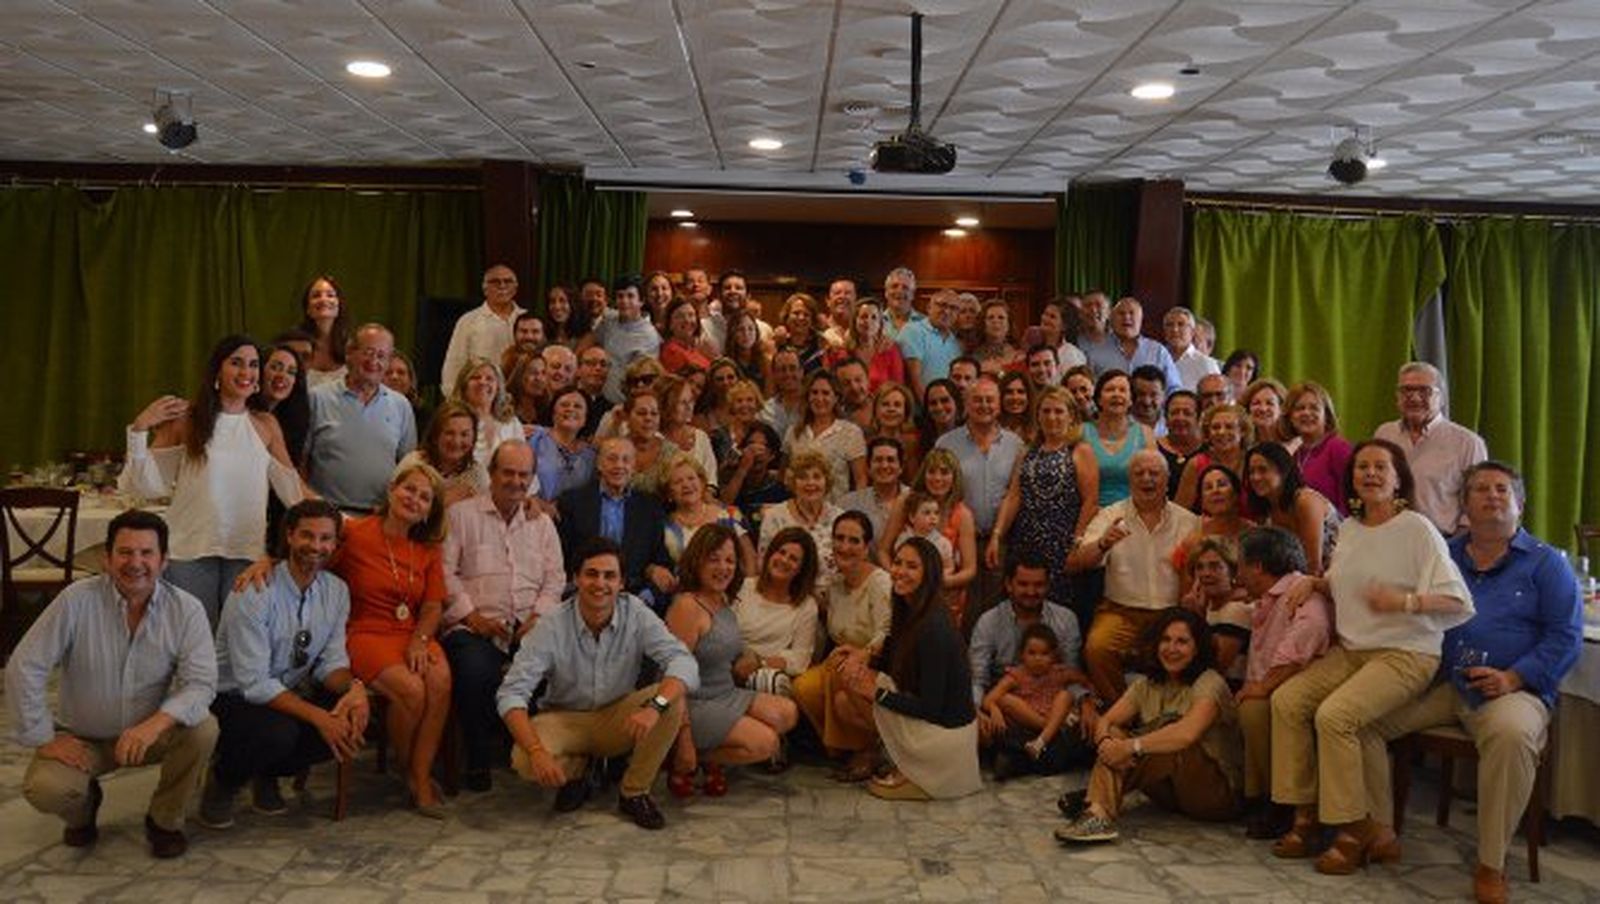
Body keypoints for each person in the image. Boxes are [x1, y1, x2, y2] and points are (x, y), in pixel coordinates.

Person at [1376, 462, 1581, 904]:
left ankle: (1492, 864)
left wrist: (1514, 676)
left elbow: (1565, 638)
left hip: (1511, 689)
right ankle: (1376, 831)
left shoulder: (1547, 564)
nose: (1492, 496)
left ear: (1520, 504)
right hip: (1442, 682)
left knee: (1511, 735)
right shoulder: (1441, 553)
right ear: (1464, 505)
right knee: (1361, 718)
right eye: (1481, 489)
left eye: (1502, 490)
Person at [1268, 439, 1473, 876]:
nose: (1371, 474)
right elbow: (1349, 584)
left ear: (1399, 478)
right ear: (1352, 479)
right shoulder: (1351, 530)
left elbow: (1459, 601)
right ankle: (1304, 814)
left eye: (1382, 466)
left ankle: (1353, 827)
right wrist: (1316, 583)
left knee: (1336, 716)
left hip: (1406, 653)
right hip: (1355, 650)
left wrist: (1405, 602)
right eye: (1363, 467)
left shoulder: (1417, 528)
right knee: (1287, 701)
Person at [5, 510, 218, 859]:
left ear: (164, 561)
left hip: (151, 735)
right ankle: (83, 810)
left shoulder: (187, 610)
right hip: (85, 739)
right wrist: (43, 737)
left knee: (203, 729)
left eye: (146, 553)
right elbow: (24, 666)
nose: (136, 563)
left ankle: (164, 821)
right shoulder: (76, 600)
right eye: (125, 552)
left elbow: (202, 682)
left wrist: (156, 724)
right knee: (46, 790)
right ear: (107, 558)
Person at [496, 538, 699, 830]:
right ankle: (580, 771)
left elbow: (683, 661)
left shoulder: (637, 613)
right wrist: (538, 752)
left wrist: (655, 707)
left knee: (672, 701)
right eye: (591, 574)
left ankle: (634, 793)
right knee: (524, 759)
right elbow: (511, 693)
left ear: (621, 584)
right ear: (576, 578)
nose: (600, 583)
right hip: (566, 718)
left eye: (609, 576)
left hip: (618, 715)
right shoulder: (551, 624)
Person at [202, 500, 369, 827]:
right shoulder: (253, 590)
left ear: (335, 544)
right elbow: (254, 684)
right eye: (307, 536)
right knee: (277, 732)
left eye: (325, 539)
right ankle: (225, 781)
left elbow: (330, 663)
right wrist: (320, 718)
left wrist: (355, 690)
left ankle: (267, 772)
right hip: (231, 697)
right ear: (289, 536)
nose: (316, 546)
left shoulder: (336, 592)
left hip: (284, 692)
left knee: (348, 718)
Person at [120, 335, 307, 627]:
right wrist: (140, 429)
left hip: (245, 551)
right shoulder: (188, 419)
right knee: (193, 639)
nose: (246, 372)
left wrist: (340, 519)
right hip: (190, 549)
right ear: (217, 371)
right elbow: (143, 486)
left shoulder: (266, 426)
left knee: (239, 640)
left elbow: (293, 491)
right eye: (236, 363)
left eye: (253, 365)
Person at [319, 461, 455, 817]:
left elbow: (432, 605)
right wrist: (268, 563)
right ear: (392, 490)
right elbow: (313, 562)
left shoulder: (427, 550)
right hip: (364, 631)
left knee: (440, 679)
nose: (414, 499)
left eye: (424, 498)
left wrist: (420, 640)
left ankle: (420, 774)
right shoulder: (355, 533)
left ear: (429, 512)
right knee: (411, 690)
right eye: (409, 489)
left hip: (411, 633)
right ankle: (407, 768)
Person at [1055, 608, 1243, 844]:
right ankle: (1098, 812)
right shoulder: (1147, 684)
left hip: (1215, 795)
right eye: (1165, 640)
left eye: (1182, 642)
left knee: (1172, 730)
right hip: (1170, 793)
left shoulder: (1210, 683)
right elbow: (1106, 722)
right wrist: (1107, 743)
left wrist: (1129, 747)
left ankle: (1099, 797)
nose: (1171, 649)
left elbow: (1186, 734)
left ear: (1198, 648)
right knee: (1114, 734)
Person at [440, 442, 564, 792]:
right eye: (507, 472)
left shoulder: (540, 524)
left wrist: (539, 617)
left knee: (555, 667)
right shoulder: (461, 516)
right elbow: (444, 573)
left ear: (532, 479)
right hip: (474, 627)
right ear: (492, 474)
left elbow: (556, 579)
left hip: (530, 627)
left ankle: (533, 751)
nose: (515, 481)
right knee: (476, 672)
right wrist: (472, 616)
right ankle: (477, 757)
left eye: (523, 474)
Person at [665, 526, 800, 798]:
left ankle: (712, 757)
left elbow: (727, 649)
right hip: (694, 703)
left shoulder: (723, 598)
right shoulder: (687, 607)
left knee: (787, 712)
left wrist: (749, 657)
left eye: (729, 560)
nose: (723, 567)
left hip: (725, 692)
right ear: (697, 560)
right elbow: (671, 677)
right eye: (714, 559)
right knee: (766, 743)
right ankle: (681, 758)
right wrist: (684, 739)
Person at [848, 538, 982, 800]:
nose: (900, 571)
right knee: (848, 678)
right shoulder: (909, 611)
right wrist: (862, 657)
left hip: (947, 737)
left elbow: (930, 709)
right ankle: (900, 761)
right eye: (898, 563)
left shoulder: (933, 627)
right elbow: (896, 663)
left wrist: (876, 693)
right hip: (935, 724)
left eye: (912, 566)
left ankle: (914, 768)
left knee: (858, 689)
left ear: (928, 574)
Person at [1068, 450, 1200, 704]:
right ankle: (1124, 713)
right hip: (1120, 611)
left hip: (1170, 612)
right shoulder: (1111, 515)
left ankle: (1169, 713)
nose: (1147, 479)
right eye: (1139, 473)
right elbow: (1076, 562)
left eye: (1154, 473)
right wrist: (1103, 544)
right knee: (1096, 649)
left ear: (1167, 478)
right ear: (1129, 479)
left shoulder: (1188, 521)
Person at [1233, 526, 1332, 840]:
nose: (1237, 573)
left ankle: (1283, 805)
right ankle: (1259, 797)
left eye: (1240, 564)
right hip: (1280, 686)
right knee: (1247, 703)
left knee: (1254, 708)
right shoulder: (1268, 597)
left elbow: (1312, 628)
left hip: (1308, 689)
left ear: (1258, 566)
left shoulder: (1300, 589)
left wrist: (1265, 685)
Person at [793, 512, 892, 780]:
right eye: (839, 538)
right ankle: (841, 747)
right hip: (841, 655)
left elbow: (888, 632)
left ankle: (866, 749)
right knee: (803, 686)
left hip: (876, 661)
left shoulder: (880, 582)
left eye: (854, 540)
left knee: (842, 678)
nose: (845, 546)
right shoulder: (835, 583)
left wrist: (863, 653)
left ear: (866, 546)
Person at [990, 386, 1099, 615]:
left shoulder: (1080, 450)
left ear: (1071, 416)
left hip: (1062, 546)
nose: (1052, 417)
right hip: (1025, 543)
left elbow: (1090, 502)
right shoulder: (1028, 450)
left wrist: (1076, 545)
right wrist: (997, 535)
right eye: (1046, 411)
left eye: (1059, 411)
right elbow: (1014, 496)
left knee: (1058, 612)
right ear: (1038, 415)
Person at [969, 554, 1089, 763]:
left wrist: (1086, 703)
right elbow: (978, 680)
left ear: (1048, 585)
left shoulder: (1065, 619)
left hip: (1053, 706)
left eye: (1039, 585)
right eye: (1023, 584)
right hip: (1010, 714)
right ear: (1008, 584)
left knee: (1090, 727)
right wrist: (976, 711)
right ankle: (1044, 750)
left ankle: (1018, 760)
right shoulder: (988, 622)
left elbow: (1071, 676)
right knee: (978, 732)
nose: (1031, 592)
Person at [934, 374, 1025, 629]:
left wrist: (997, 534)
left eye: (990, 400)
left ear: (998, 405)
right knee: (961, 608)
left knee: (997, 608)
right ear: (966, 404)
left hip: (1001, 539)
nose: (984, 405)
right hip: (959, 540)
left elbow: (1014, 494)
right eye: (977, 400)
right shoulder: (946, 443)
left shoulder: (1015, 444)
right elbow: (939, 491)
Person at [303, 323, 418, 512]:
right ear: (350, 352)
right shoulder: (317, 398)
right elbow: (300, 463)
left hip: (380, 517)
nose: (374, 361)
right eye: (369, 352)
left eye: (382, 356)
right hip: (327, 516)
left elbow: (408, 466)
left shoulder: (401, 406)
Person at [557, 437, 676, 610]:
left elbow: (662, 562)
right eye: (612, 459)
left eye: (626, 460)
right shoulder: (572, 502)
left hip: (635, 600)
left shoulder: (650, 508)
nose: (619, 465)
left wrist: (646, 597)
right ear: (599, 464)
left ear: (633, 467)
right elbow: (563, 558)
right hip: (584, 595)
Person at [1373, 361, 1488, 534]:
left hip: (1443, 542)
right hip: (1388, 536)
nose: (1414, 397)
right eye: (1406, 390)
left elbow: (1477, 500)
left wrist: (1455, 547)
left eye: (1424, 391)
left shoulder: (1468, 443)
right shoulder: (1384, 434)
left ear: (1441, 398)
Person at [880, 448, 979, 628]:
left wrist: (938, 582)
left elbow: (970, 570)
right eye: (931, 471)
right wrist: (897, 578)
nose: (937, 478)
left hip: (943, 594)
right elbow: (883, 551)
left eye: (944, 472)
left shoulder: (963, 514)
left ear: (954, 477)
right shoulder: (906, 502)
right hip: (902, 591)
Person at [981, 624, 1080, 779]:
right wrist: (994, 708)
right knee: (1005, 699)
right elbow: (988, 700)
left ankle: (1039, 744)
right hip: (1028, 725)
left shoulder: (1060, 673)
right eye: (1032, 653)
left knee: (1065, 695)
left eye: (1044, 653)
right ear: (1022, 655)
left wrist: (1088, 701)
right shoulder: (1016, 676)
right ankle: (1044, 737)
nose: (1038, 659)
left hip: (1052, 725)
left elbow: (1084, 683)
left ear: (1054, 656)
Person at [732, 527, 821, 698]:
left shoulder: (807, 606)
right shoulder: (745, 587)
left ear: (801, 570)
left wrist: (760, 663)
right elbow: (723, 631)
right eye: (781, 552)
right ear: (770, 553)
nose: (784, 560)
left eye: (793, 559)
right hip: (731, 662)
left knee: (768, 681)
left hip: (767, 673)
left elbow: (799, 660)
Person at [1244, 442, 1340, 575]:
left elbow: (1314, 567)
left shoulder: (1305, 501)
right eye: (1251, 472)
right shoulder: (1265, 511)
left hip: (1335, 577)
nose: (1255, 477)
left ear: (1283, 471)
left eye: (1263, 470)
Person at [758, 449, 846, 588]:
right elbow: (765, 564)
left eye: (817, 477)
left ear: (827, 481)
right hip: (788, 593)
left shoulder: (840, 518)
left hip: (834, 595)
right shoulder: (774, 516)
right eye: (803, 477)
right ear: (793, 482)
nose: (810, 483)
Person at [662, 453, 757, 573]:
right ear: (669, 493)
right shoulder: (663, 526)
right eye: (678, 482)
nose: (686, 485)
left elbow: (749, 558)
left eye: (691, 478)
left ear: (702, 483)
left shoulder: (729, 515)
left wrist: (747, 587)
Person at [785, 370, 867, 503]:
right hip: (800, 510)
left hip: (838, 511)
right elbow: (786, 475)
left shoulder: (851, 432)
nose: (819, 398)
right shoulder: (793, 432)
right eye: (814, 392)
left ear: (836, 398)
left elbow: (861, 480)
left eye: (826, 393)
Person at [442, 264, 525, 391]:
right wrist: (452, 397)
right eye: (495, 282)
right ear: (485, 288)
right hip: (482, 393)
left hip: (521, 394)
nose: (502, 286)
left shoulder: (527, 318)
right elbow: (455, 364)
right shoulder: (468, 321)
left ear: (515, 288)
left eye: (508, 281)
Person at [1082, 370, 1156, 507]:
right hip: (1090, 513)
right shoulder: (1082, 432)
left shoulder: (1145, 433)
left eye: (1123, 390)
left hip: (1134, 514)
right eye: (1110, 390)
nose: (1117, 394)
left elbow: (1154, 482)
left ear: (1130, 400)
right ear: (1098, 399)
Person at [448, 358, 524, 487]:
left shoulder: (512, 423)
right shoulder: (451, 420)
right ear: (463, 385)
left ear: (498, 386)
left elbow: (523, 462)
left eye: (489, 379)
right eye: (475, 377)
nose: (483, 382)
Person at [1185, 536, 1252, 682]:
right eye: (1199, 567)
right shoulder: (1206, 606)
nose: (1206, 573)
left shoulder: (1237, 610)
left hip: (1228, 688)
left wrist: (1196, 619)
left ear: (1233, 572)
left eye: (1215, 566)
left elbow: (1216, 668)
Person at [400, 400, 482, 515]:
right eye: (449, 433)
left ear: (473, 438)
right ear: (435, 435)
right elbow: (397, 513)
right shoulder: (414, 463)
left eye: (464, 434)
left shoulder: (478, 474)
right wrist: (444, 501)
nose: (456, 441)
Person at [1083, 297, 1183, 391]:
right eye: (1121, 313)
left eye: (1132, 313)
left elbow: (1173, 388)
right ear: (1112, 319)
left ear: (1141, 318)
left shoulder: (1158, 351)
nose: (1126, 317)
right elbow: (1089, 389)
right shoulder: (1094, 352)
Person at [1285, 381, 1354, 516]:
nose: (1306, 413)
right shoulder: (1292, 453)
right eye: (1299, 408)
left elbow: (1349, 503)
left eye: (1314, 408)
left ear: (1326, 415)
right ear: (1290, 417)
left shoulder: (1338, 448)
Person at [589, 274, 661, 404]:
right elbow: (591, 339)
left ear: (641, 301)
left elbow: (644, 380)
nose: (624, 301)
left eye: (630, 296)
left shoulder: (649, 336)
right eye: (620, 296)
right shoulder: (609, 320)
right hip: (601, 398)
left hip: (626, 403)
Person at [1175, 402, 1253, 512]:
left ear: (1243, 431)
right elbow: (1179, 511)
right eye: (1216, 427)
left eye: (1229, 427)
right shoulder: (1196, 464)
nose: (1221, 432)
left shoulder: (1254, 461)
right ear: (1208, 434)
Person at [527, 387, 596, 504]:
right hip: (535, 513)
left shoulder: (591, 455)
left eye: (577, 406)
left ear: (585, 419)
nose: (570, 409)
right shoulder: (535, 439)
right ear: (553, 413)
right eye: (564, 405)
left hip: (574, 519)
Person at [838, 435, 909, 544]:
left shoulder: (915, 500)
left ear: (901, 467)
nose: (884, 465)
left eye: (890, 460)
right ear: (868, 467)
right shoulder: (848, 503)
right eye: (878, 460)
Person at [825, 298, 906, 391]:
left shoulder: (890, 350)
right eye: (863, 316)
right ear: (855, 321)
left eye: (874, 317)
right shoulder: (840, 350)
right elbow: (830, 385)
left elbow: (898, 387)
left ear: (880, 324)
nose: (868, 321)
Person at [657, 374, 719, 490]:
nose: (689, 407)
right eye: (682, 403)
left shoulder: (701, 438)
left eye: (691, 401)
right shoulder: (654, 438)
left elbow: (711, 482)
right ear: (666, 404)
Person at [899, 289, 963, 396]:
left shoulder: (956, 344)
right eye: (942, 305)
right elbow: (915, 380)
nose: (947, 311)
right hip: (920, 408)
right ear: (929, 307)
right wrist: (927, 408)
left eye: (953, 308)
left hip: (945, 407)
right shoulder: (913, 331)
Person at [297, 275, 349, 389]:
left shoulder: (352, 348)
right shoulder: (298, 347)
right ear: (308, 309)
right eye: (316, 296)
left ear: (339, 305)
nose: (323, 300)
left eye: (330, 295)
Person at [869, 381, 923, 476]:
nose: (891, 409)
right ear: (875, 410)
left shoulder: (913, 443)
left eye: (897, 405)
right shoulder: (866, 442)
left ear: (906, 412)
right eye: (885, 404)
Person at [1156, 390, 1204, 498]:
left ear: (1198, 418)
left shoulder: (1208, 450)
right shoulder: (1153, 448)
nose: (1180, 418)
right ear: (1166, 418)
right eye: (1174, 413)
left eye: (1187, 413)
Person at [1162, 306, 1221, 391]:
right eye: (1169, 325)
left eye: (1181, 324)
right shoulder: (1156, 358)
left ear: (1192, 332)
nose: (1175, 329)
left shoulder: (1206, 363)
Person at [760, 347, 806, 444]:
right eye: (782, 369)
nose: (788, 374)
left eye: (792, 368)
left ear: (802, 372)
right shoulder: (765, 410)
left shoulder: (814, 405)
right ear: (774, 374)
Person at [660, 297, 713, 376]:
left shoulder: (695, 349)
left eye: (691, 315)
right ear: (670, 324)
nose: (687, 320)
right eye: (680, 316)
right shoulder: (672, 352)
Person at [776, 292, 827, 372]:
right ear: (787, 316)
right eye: (796, 313)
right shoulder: (778, 343)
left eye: (806, 315)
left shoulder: (822, 344)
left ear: (812, 319)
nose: (801, 318)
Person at [973, 298, 1023, 375]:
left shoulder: (1019, 356)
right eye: (990, 317)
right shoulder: (973, 356)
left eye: (1001, 317)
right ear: (983, 324)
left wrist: (999, 373)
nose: (995, 321)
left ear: (1009, 324)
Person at [1038, 297, 1088, 373]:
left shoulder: (1071, 355)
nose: (1045, 319)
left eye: (1052, 317)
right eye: (1045, 314)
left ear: (1064, 326)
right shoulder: (1036, 348)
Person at [1240, 377, 1291, 446]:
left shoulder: (1295, 444)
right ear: (1248, 409)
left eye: (1269, 403)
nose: (1263, 409)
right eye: (1256, 403)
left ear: (1282, 408)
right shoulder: (1242, 444)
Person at [505, 350, 549, 429]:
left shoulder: (547, 409)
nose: (539, 378)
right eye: (533, 372)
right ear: (520, 375)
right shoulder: (505, 406)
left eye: (543, 373)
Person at [540, 283, 590, 348]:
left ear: (573, 304)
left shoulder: (586, 336)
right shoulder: (544, 332)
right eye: (552, 301)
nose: (557, 307)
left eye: (562, 301)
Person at [880, 266, 923, 341]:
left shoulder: (925, 323)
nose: (899, 291)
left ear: (912, 294)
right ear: (886, 293)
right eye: (894, 286)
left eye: (905, 288)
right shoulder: (875, 321)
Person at [920, 378, 964, 449]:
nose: (939, 407)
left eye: (945, 400)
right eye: (933, 403)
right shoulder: (917, 442)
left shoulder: (971, 438)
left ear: (957, 403)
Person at [820, 275, 859, 347]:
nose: (842, 296)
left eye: (847, 293)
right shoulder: (818, 329)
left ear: (856, 300)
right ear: (828, 301)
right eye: (837, 293)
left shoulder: (862, 331)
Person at [998, 371, 1034, 443]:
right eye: (1009, 392)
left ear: (1029, 397)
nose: (1015, 397)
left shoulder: (1040, 429)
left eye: (1021, 392)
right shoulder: (990, 428)